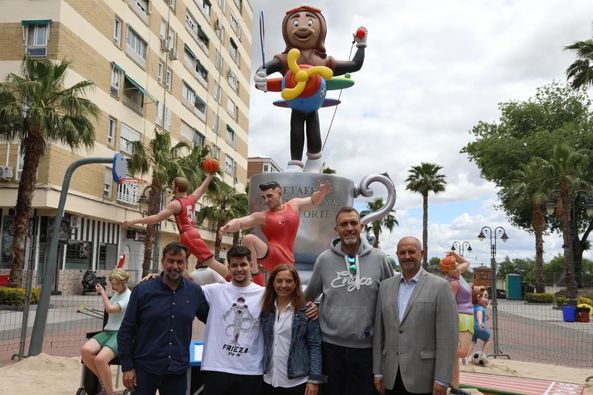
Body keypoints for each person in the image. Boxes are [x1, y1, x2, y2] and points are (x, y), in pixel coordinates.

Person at [254, 5, 367, 170]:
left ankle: (314, 161)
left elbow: (354, 65)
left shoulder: (324, 61)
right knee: (296, 126)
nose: (301, 27)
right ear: (286, 31)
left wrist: (361, 46)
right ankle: (295, 164)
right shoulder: (285, 59)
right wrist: (260, 75)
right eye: (295, 23)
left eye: (308, 23)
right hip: (296, 104)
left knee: (313, 125)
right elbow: (265, 70)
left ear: (321, 29)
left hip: (313, 105)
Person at [304, 207, 393, 395]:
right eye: (344, 224)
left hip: (367, 350)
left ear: (361, 226)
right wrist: (316, 306)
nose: (349, 228)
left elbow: (391, 298)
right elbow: (308, 296)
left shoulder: (379, 258)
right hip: (330, 349)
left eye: (353, 223)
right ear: (336, 230)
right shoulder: (324, 260)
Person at [117, 242, 209, 395]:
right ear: (162, 262)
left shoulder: (194, 292)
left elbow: (212, 319)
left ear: (186, 263)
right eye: (171, 261)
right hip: (144, 369)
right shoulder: (143, 291)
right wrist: (127, 367)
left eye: (180, 262)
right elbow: (126, 331)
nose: (175, 266)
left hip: (177, 371)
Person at [373, 236, 458, 395]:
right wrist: (378, 371)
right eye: (402, 252)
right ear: (397, 255)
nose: (407, 256)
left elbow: (448, 338)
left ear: (422, 253)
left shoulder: (440, 287)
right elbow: (379, 334)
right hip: (390, 377)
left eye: (411, 252)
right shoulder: (385, 287)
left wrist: (442, 379)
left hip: (424, 378)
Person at [218, 180, 332, 278]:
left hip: (288, 260)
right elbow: (240, 222)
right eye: (264, 197)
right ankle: (255, 276)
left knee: (286, 288)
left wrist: (321, 193)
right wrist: (227, 226)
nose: (266, 200)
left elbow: (312, 201)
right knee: (249, 239)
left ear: (279, 192)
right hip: (272, 255)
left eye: (269, 196)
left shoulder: (294, 205)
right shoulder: (263, 216)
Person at [123, 174, 228, 279]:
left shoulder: (176, 204)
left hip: (187, 234)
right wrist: (210, 175)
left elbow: (156, 218)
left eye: (173, 185)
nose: (171, 186)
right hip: (191, 233)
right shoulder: (191, 198)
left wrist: (133, 221)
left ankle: (232, 279)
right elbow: (202, 188)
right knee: (179, 261)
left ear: (176, 188)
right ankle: (190, 284)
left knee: (210, 261)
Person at [199, 245, 265, 395]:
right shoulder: (214, 290)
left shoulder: (264, 294)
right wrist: (159, 276)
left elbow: (290, 303)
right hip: (217, 368)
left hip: (250, 371)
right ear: (229, 268)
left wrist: (310, 306)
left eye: (243, 264)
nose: (239, 269)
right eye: (234, 265)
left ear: (251, 265)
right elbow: (183, 287)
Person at [260, 264, 326, 395]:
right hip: (269, 379)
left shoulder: (306, 311)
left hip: (297, 381)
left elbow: (315, 346)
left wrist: (314, 379)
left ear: (295, 283)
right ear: (272, 283)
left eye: (289, 281)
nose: (284, 285)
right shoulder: (265, 310)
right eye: (279, 281)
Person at [80, 268, 131, 395]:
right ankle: (105, 381)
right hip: (108, 331)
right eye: (112, 284)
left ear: (124, 282)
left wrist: (102, 292)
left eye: (116, 284)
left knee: (100, 359)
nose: (114, 287)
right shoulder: (117, 294)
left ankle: (109, 393)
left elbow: (110, 309)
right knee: (85, 351)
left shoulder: (129, 296)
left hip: (120, 333)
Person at [439, 251, 474, 395]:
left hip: (468, 315)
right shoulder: (452, 282)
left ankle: (455, 386)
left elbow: (467, 262)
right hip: (461, 317)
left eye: (455, 265)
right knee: (461, 352)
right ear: (447, 271)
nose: (456, 268)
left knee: (457, 355)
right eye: (453, 267)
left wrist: (455, 255)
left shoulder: (458, 274)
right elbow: (450, 305)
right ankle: (445, 377)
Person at [472, 287, 492, 356]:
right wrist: (480, 322)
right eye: (485, 297)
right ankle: (483, 355)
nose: (487, 300)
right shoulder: (480, 308)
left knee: (472, 342)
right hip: (478, 327)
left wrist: (485, 316)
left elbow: (476, 314)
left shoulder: (474, 307)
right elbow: (479, 313)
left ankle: (466, 357)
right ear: (478, 297)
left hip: (472, 327)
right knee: (488, 339)